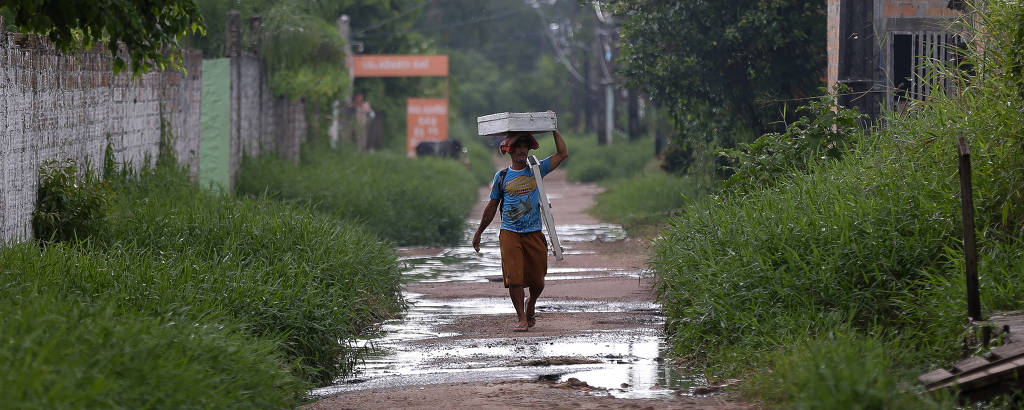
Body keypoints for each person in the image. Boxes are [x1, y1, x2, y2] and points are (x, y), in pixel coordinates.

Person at [472, 127, 568, 332]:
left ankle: (531, 303)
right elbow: (492, 207)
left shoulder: (536, 169)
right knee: (514, 278)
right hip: (510, 233)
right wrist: (479, 232)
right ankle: (521, 318)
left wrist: (554, 129)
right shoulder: (501, 176)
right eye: (518, 146)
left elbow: (562, 154)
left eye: (525, 146)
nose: (522, 150)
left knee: (538, 280)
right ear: (510, 151)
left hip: (534, 231)